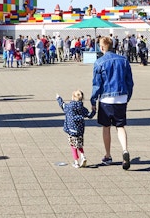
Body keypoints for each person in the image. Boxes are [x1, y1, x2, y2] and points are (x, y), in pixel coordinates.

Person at [90, 36, 134, 169]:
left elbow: (97, 84)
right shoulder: (124, 60)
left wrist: (93, 100)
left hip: (106, 99)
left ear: (102, 47)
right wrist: (127, 97)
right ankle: (125, 150)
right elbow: (130, 82)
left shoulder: (99, 62)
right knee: (120, 126)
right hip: (121, 97)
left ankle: (108, 155)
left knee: (106, 127)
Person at [55, 90, 94, 168]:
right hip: (80, 130)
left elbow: (62, 105)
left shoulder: (69, 107)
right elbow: (89, 115)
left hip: (71, 130)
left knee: (73, 146)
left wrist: (58, 98)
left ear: (72, 97)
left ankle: (76, 162)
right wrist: (94, 110)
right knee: (79, 144)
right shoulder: (82, 108)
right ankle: (83, 156)